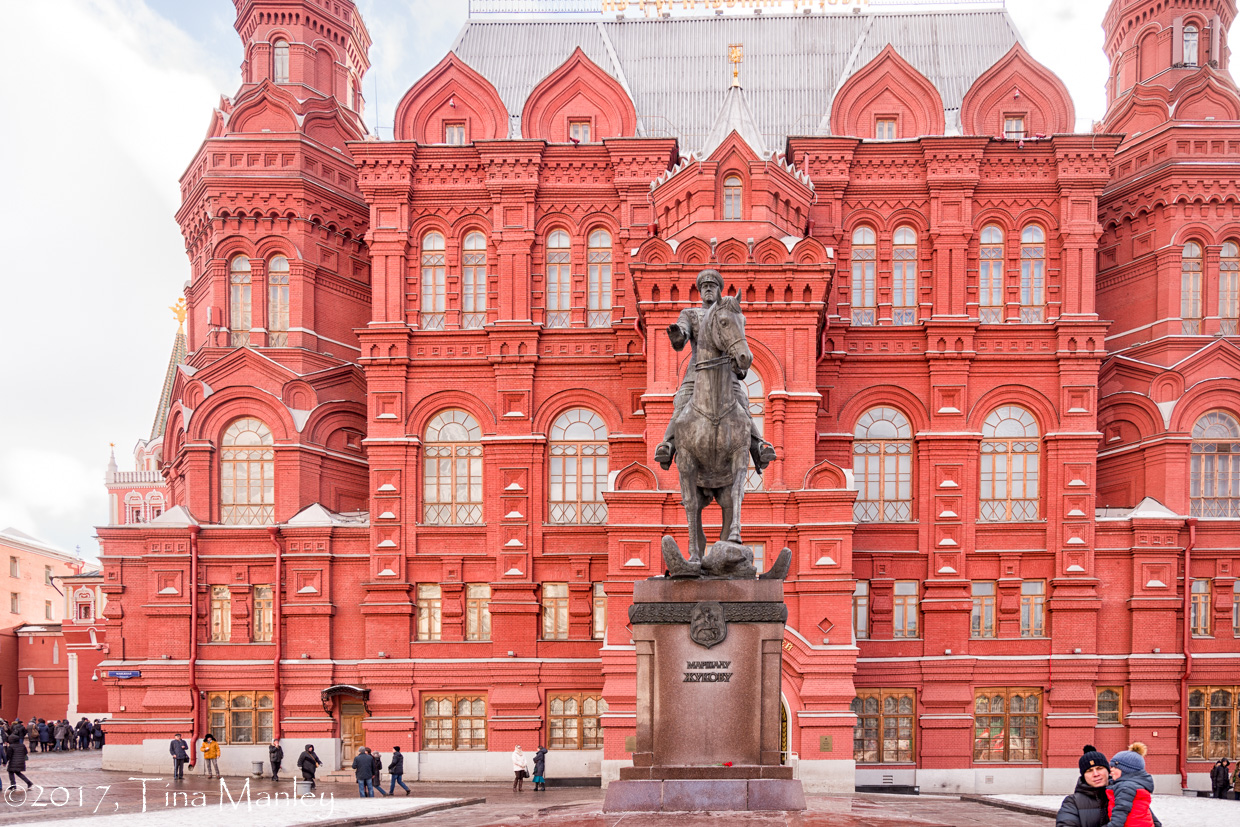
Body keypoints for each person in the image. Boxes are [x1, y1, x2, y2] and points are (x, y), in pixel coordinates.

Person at [653, 268, 776, 474]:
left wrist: (740, 364)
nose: (708, 289)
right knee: (682, 401)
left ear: (719, 289)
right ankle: (667, 444)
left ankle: (758, 447)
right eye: (705, 287)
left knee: (742, 402)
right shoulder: (691, 314)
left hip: (727, 375)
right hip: (697, 373)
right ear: (700, 291)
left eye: (712, 286)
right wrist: (677, 335)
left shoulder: (729, 312)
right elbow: (682, 335)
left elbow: (737, 339)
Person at [1103, 743, 1161, 827]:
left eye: (1115, 767)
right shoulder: (1136, 785)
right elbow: (1145, 809)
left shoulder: (1125, 787)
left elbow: (1120, 811)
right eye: (1111, 767)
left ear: (1127, 771)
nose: (1111, 770)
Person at [1056, 746, 1110, 827]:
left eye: (1099, 768)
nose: (1096, 774)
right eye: (1089, 771)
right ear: (1083, 776)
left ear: (1108, 771)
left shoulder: (1123, 795)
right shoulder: (1073, 802)